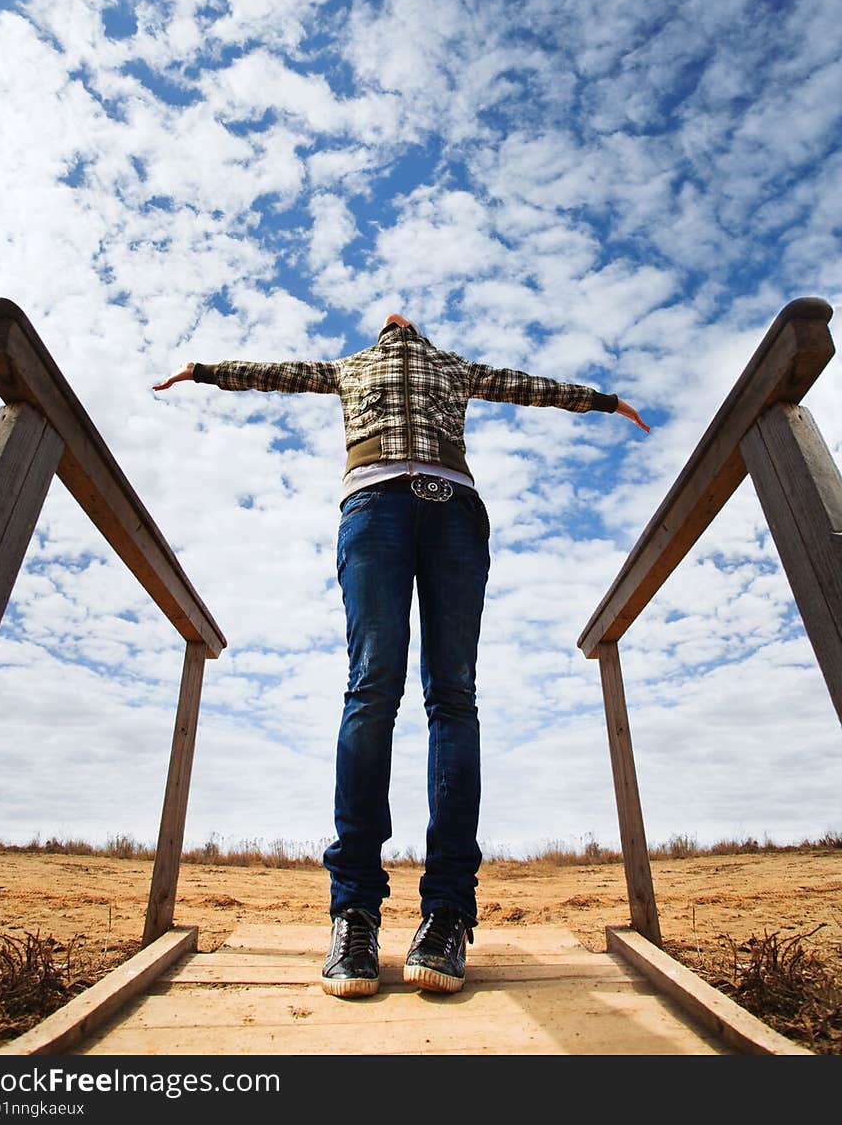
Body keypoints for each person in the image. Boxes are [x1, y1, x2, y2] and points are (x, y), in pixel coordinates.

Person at [153, 312, 649, 998]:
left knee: (454, 697)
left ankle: (447, 913)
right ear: (382, 335)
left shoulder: (455, 367)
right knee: (372, 689)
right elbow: (278, 375)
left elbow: (527, 385)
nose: (397, 317)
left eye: (405, 317)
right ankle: (354, 913)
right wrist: (204, 371)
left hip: (453, 508)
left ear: (416, 332)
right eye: (389, 318)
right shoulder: (349, 367)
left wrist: (601, 401)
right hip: (374, 504)